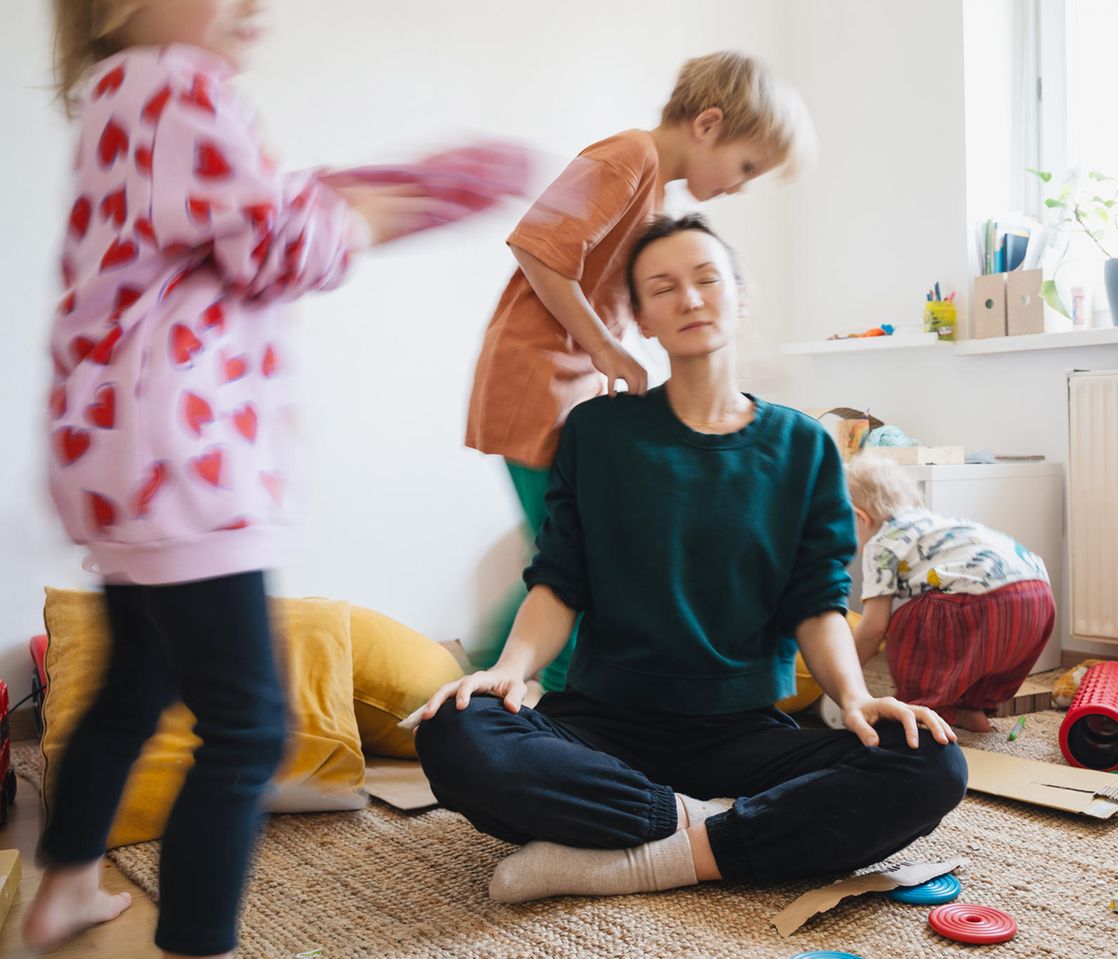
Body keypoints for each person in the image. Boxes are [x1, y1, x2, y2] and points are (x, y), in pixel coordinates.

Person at [27, 0, 515, 953]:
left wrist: (348, 191)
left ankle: (63, 887)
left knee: (133, 684)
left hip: (121, 460)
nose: (258, 5)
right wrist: (387, 205)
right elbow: (280, 245)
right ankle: (199, 940)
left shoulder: (118, 100)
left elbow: (244, 216)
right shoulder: (179, 84)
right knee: (248, 725)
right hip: (181, 464)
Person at [413, 214, 967, 903]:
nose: (691, 298)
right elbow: (558, 583)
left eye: (707, 278)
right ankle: (705, 828)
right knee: (455, 731)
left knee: (932, 761)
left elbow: (816, 603)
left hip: (744, 734)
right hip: (600, 726)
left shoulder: (805, 447)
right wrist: (507, 670)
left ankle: (649, 853)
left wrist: (855, 696)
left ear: (740, 295)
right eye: (664, 286)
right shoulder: (598, 432)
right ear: (641, 317)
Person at [464, 51, 814, 692]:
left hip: (570, 384)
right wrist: (603, 346)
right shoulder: (628, 155)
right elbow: (536, 247)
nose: (741, 185)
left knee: (564, 548)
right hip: (534, 382)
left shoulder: (655, 195)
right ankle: (552, 694)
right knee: (574, 558)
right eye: (746, 167)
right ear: (708, 125)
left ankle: (492, 669)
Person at [846, 453, 1055, 733]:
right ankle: (971, 710)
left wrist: (844, 673)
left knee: (909, 622)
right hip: (1038, 595)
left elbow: (873, 627)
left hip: (985, 598)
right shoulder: (934, 523)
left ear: (859, 518)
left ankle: (922, 712)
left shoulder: (882, 544)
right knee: (976, 647)